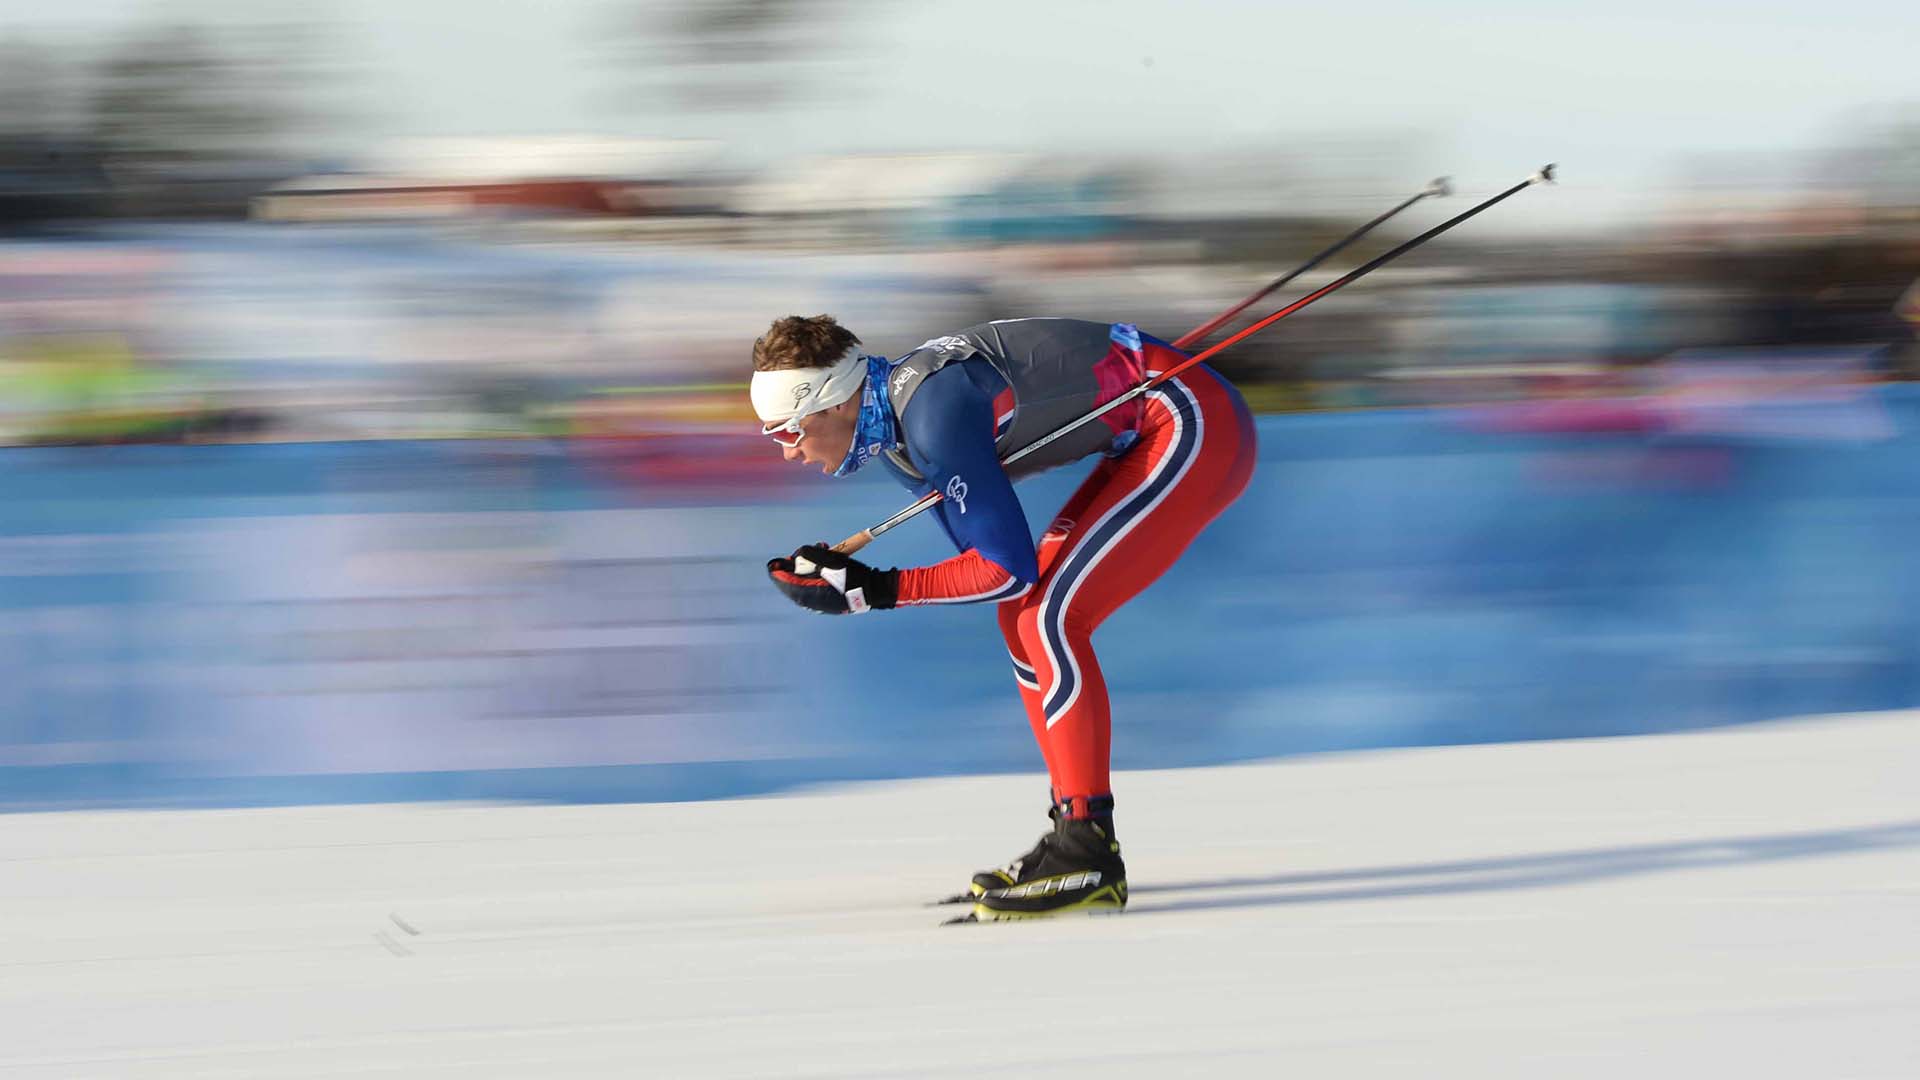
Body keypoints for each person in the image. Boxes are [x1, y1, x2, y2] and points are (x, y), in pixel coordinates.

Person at [752, 315, 1256, 920]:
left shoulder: (930, 416)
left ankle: (1088, 848)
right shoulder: (905, 436)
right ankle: (1075, 829)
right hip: (1153, 421)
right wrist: (852, 580)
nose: (787, 450)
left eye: (786, 429)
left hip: (1189, 420)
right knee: (1020, 618)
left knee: (1050, 618)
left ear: (830, 403)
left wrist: (870, 591)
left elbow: (1002, 567)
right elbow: (988, 569)